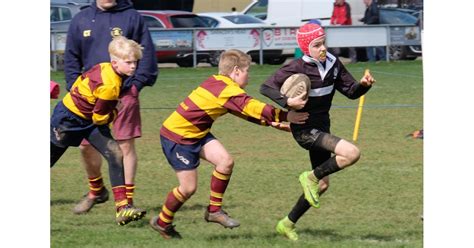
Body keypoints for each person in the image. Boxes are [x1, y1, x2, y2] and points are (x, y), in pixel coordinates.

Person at [149, 49, 310, 239]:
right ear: (235, 71)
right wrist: (285, 114)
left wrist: (274, 123)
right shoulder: (227, 90)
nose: (248, 75)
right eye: (247, 70)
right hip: (177, 137)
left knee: (225, 161)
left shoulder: (218, 83)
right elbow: (252, 107)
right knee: (188, 188)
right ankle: (162, 222)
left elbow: (242, 111)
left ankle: (214, 211)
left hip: (196, 134)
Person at [260, 23, 376, 241]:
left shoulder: (333, 63)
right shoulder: (297, 67)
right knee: (351, 153)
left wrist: (363, 85)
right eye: (316, 45)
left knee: (322, 184)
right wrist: (288, 102)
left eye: (324, 43)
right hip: (304, 130)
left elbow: (351, 91)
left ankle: (286, 223)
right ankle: (308, 177)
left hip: (322, 127)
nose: (322, 48)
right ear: (306, 48)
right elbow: (266, 87)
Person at [64, 0, 158, 214]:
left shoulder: (132, 16)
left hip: (125, 94)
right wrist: (74, 87)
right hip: (90, 99)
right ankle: (96, 190)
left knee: (125, 146)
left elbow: (146, 54)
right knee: (86, 146)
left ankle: (127, 202)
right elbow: (71, 58)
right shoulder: (81, 19)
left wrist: (135, 86)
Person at [51, 36, 147, 226]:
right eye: (128, 62)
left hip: (88, 119)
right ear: (115, 62)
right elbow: (100, 118)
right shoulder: (110, 86)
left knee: (115, 153)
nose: (133, 66)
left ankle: (122, 208)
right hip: (69, 120)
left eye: (135, 62)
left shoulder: (105, 67)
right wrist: (116, 110)